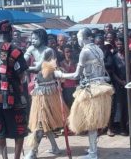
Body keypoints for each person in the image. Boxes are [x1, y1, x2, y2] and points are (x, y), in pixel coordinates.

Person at [55, 28, 114, 159]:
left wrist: (61, 74)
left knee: (91, 121)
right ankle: (93, 148)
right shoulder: (98, 49)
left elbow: (77, 75)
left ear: (84, 37)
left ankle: (93, 153)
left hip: (91, 89)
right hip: (100, 87)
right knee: (92, 120)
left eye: (78, 37)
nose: (78, 40)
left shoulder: (85, 51)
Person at [0, 20, 28, 159]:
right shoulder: (15, 50)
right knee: (19, 128)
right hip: (13, 95)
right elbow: (21, 74)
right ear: (10, 33)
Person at [25, 48, 68, 159]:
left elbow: (38, 70)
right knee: (45, 123)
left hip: (45, 97)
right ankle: (55, 148)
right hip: (43, 95)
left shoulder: (48, 65)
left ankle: (33, 152)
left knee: (40, 124)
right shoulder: (47, 64)